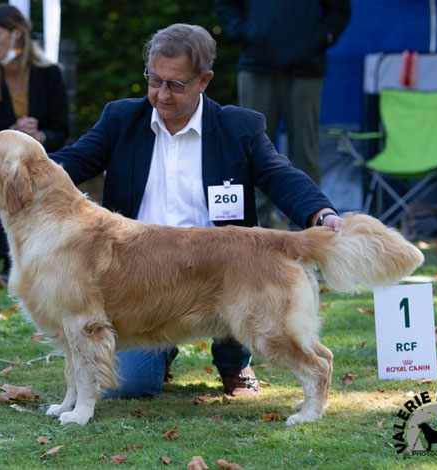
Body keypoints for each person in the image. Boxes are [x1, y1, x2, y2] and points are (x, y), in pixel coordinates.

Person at [46, 23, 342, 399]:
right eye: (154, 80)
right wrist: (17, 165)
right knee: (127, 388)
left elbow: (280, 175)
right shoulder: (121, 120)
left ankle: (235, 363)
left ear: (204, 80)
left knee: (247, 286)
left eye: (176, 85)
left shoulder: (238, 127)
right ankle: (159, 355)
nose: (161, 94)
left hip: (219, 269)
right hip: (142, 277)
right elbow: (70, 162)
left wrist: (321, 213)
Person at [215, 0, 352, 227]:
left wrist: (319, 38)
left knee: (305, 152)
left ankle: (309, 231)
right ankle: (254, 230)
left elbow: (340, 9)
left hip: (305, 68)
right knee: (248, 152)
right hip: (256, 64)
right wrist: (246, 34)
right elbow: (225, 5)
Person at [0, 3, 69, 280]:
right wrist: (11, 133)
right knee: (8, 174)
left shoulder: (50, 74)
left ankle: (50, 258)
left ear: (16, 35)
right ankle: (11, 261)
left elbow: (62, 129)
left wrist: (40, 136)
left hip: (44, 161)